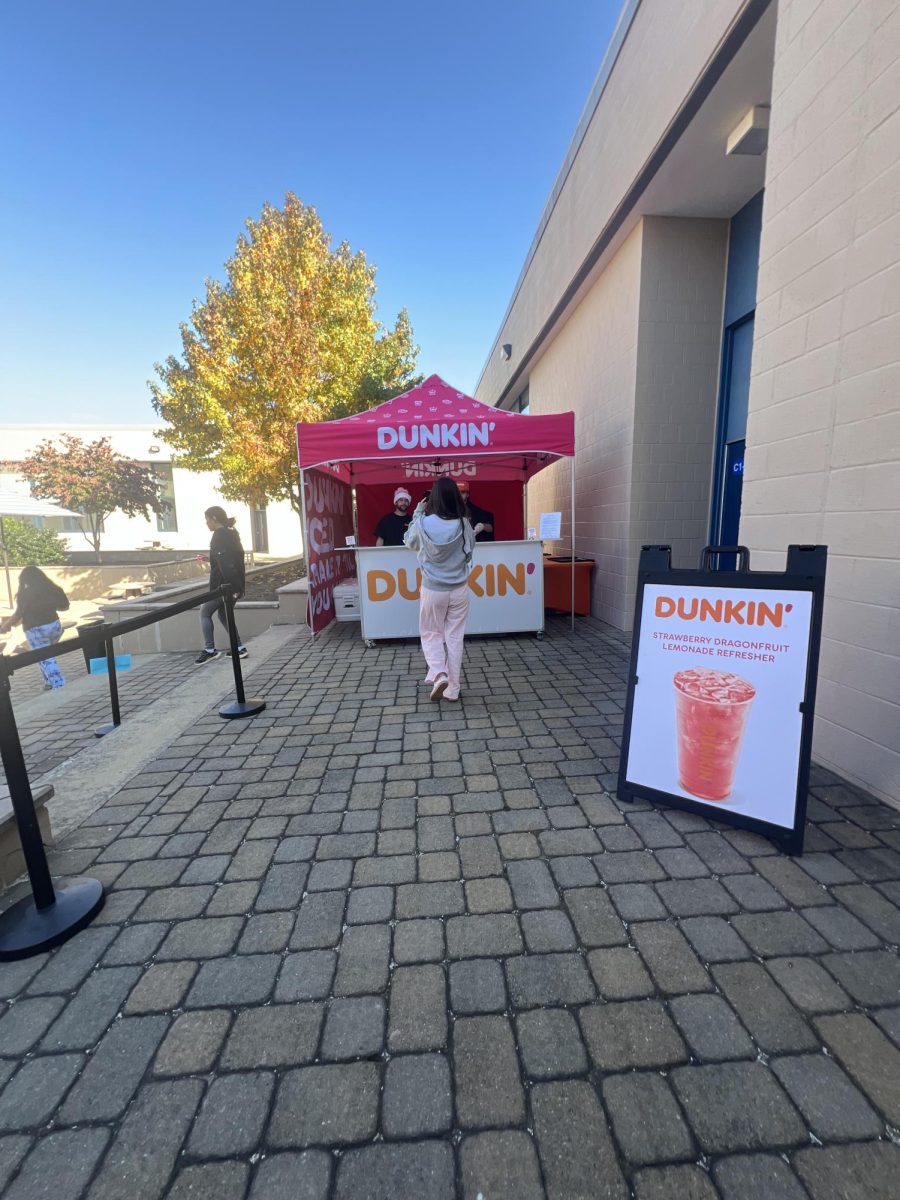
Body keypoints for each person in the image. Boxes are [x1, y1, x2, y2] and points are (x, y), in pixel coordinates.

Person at [403, 477, 476, 702]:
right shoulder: (464, 523)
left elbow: (409, 542)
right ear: (456, 496)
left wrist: (417, 513)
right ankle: (452, 690)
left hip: (433, 588)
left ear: (432, 498)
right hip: (458, 589)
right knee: (454, 638)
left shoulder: (423, 522)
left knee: (431, 633)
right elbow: (469, 551)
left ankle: (439, 673)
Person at [0, 566, 70, 690]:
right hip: (54, 626)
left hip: (35, 630)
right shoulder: (53, 589)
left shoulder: (25, 594)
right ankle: (48, 681)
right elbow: (65, 606)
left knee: (45, 656)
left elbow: (18, 614)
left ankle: (59, 684)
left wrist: (4, 626)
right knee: (42, 654)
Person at [195, 506, 247, 664]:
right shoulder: (231, 533)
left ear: (214, 518)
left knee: (205, 612)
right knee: (224, 614)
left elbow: (226, 564)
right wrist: (209, 559)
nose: (206, 523)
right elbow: (229, 560)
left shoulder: (218, 536)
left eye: (207, 520)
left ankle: (210, 650)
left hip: (223, 586)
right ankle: (238, 648)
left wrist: (231, 589)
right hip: (234, 583)